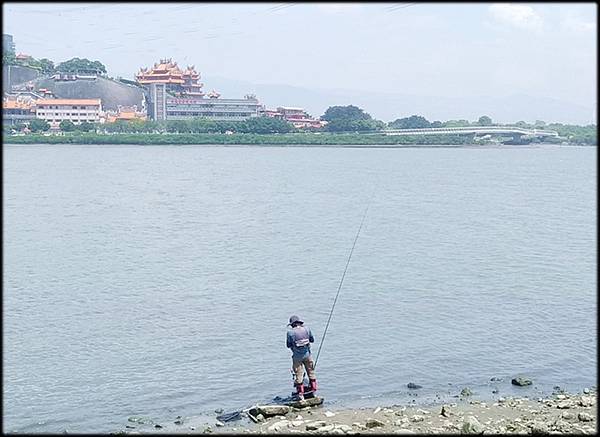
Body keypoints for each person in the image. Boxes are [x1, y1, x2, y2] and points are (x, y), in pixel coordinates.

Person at [286, 315, 318, 400]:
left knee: (298, 374)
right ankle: (314, 392)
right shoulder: (307, 329)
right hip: (307, 355)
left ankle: (301, 395)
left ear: (292, 324)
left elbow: (288, 345)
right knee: (311, 372)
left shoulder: (290, 333)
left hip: (297, 357)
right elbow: (312, 340)